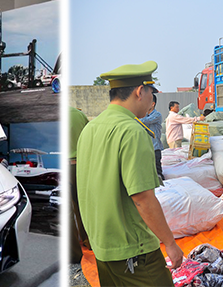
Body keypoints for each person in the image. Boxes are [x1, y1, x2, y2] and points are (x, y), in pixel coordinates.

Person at [77, 61, 183, 286]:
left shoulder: (90, 129)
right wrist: (170, 243)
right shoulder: (132, 131)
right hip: (134, 251)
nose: (151, 101)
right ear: (139, 91)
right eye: (151, 94)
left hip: (103, 247)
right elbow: (143, 199)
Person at [68, 106, 89, 264]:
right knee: (84, 205)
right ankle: (89, 240)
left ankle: (74, 253)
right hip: (80, 165)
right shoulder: (78, 114)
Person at [139, 93, 164, 179]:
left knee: (158, 172)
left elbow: (144, 121)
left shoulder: (157, 115)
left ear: (152, 104)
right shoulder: (144, 115)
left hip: (155, 148)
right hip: (146, 148)